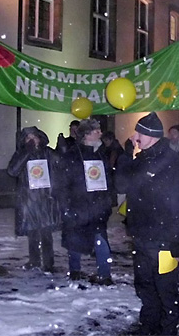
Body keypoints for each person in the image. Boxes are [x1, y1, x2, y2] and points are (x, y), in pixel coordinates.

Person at [115, 112, 179, 336]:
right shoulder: (143, 158)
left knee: (166, 290)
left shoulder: (171, 162)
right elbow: (121, 184)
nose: (135, 136)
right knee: (145, 287)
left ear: (151, 135)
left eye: (139, 132)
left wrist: (177, 241)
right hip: (141, 237)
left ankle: (167, 331)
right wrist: (127, 153)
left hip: (163, 240)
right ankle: (149, 326)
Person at [57, 118, 113, 285]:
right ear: (87, 135)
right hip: (78, 205)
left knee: (100, 239)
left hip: (97, 207)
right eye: (97, 131)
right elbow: (63, 183)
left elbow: (107, 179)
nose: (101, 133)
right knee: (75, 239)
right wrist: (66, 206)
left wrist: (107, 201)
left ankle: (105, 274)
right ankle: (75, 271)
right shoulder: (72, 156)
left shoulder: (100, 154)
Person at [7, 126, 60, 273]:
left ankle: (49, 264)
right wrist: (26, 153)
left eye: (34, 136)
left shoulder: (48, 152)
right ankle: (34, 261)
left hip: (46, 199)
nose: (31, 140)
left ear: (40, 137)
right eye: (28, 138)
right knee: (33, 232)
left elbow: (61, 165)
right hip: (29, 199)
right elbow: (13, 170)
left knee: (46, 233)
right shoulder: (21, 154)